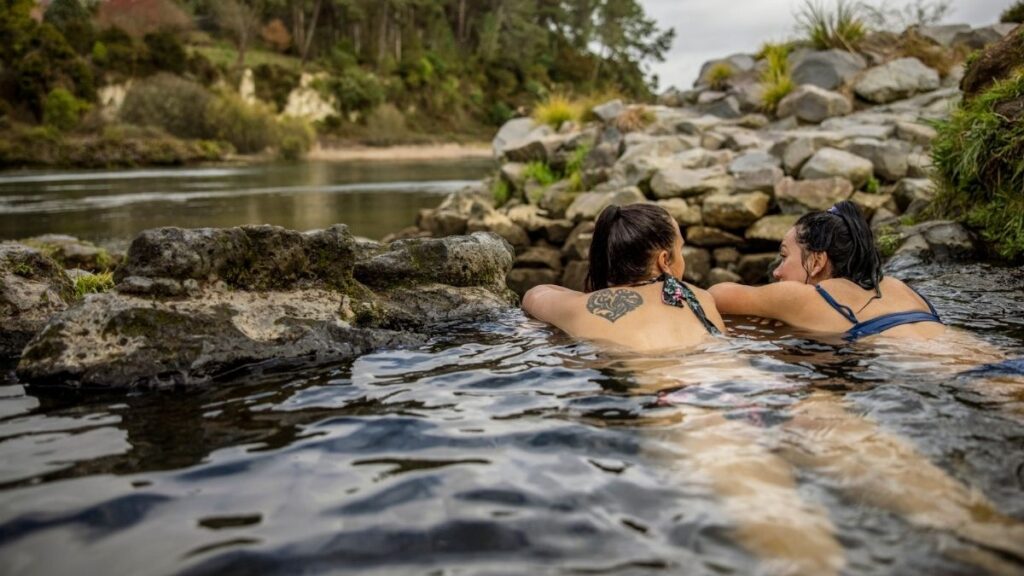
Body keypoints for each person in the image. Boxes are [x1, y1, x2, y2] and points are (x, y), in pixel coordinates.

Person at [708, 200, 944, 340]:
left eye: (784, 257)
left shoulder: (806, 297)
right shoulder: (896, 287)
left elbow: (715, 296)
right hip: (973, 353)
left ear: (817, 261)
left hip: (917, 369)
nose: (777, 272)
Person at [522, 203, 725, 351]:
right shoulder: (701, 298)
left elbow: (534, 294)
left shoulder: (581, 310)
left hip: (666, 397)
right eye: (681, 249)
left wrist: (581, 299)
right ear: (664, 260)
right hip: (733, 387)